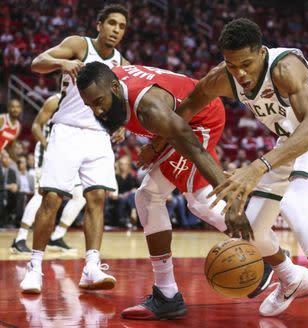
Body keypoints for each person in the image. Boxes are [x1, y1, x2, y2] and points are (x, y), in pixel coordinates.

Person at [166, 18, 308, 327]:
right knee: (250, 233)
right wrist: (155, 143)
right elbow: (187, 108)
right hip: (291, 136)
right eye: (232, 65)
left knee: (295, 205)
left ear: (262, 52)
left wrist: (259, 167)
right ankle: (293, 280)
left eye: (246, 63)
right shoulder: (225, 77)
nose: (240, 73)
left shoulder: (285, 68)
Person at [76, 62, 278, 320]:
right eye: (90, 105)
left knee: (199, 201)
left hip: (201, 120)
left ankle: (272, 259)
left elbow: (193, 147)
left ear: (115, 87)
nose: (98, 110)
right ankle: (167, 293)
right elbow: (167, 108)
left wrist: (233, 203)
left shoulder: (148, 108)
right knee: (148, 197)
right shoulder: (113, 76)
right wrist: (157, 142)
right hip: (180, 119)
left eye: (100, 101)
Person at [20, 4, 129, 294]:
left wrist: (121, 126)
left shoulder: (121, 63)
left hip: (98, 136)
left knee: (97, 198)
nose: (116, 30)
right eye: (112, 24)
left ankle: (92, 266)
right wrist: (62, 63)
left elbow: (124, 104)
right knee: (52, 198)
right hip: (66, 130)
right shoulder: (79, 44)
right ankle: (34, 266)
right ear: (99, 24)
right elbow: (37, 62)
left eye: (121, 26)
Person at [11, 94, 86, 254]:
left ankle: (57, 237)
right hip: (48, 152)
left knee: (80, 196)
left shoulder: (83, 102)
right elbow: (35, 127)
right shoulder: (55, 100)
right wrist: (47, 146)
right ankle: (20, 239)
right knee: (41, 195)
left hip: (68, 155)